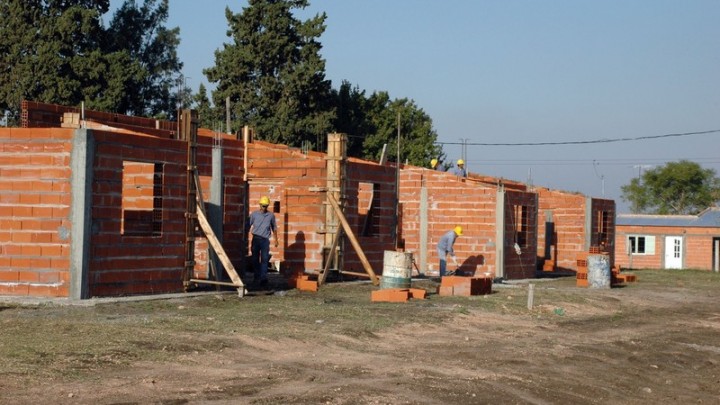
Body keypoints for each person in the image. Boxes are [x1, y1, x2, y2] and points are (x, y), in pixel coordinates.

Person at [247, 196, 279, 288]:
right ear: (260, 205)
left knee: (264, 259)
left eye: (266, 206)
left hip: (265, 240)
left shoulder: (271, 216)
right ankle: (256, 277)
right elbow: (248, 225)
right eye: (263, 206)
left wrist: (276, 240)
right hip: (256, 239)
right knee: (255, 259)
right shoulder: (254, 215)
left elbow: (274, 228)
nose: (264, 207)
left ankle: (263, 278)